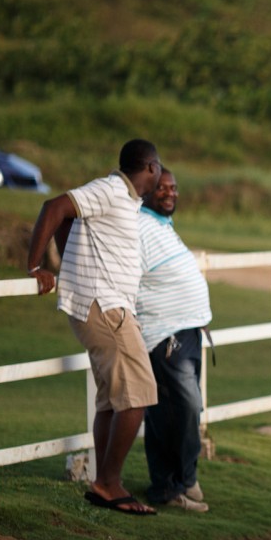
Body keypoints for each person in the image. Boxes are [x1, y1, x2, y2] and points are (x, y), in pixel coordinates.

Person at [25, 139, 163, 516]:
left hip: (105, 307)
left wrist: (70, 259)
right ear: (150, 167)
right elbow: (55, 207)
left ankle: (103, 483)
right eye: (159, 168)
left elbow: (68, 218)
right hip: (105, 308)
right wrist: (36, 266)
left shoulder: (122, 198)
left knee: (111, 401)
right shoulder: (112, 189)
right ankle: (109, 483)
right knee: (138, 397)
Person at [135, 167, 212, 512]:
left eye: (174, 187)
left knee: (183, 410)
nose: (170, 193)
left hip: (188, 331)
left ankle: (180, 479)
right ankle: (171, 485)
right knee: (181, 408)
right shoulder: (137, 226)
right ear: (146, 190)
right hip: (164, 335)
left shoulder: (162, 224)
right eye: (162, 187)